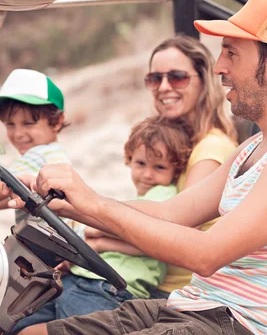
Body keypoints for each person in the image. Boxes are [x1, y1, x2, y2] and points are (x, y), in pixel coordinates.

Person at [4, 0, 267, 335]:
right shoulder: (255, 146)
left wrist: (95, 206)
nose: (219, 67)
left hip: (242, 331)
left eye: (231, 52)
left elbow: (207, 253)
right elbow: (171, 212)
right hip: (196, 308)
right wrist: (66, 199)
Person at [7, 116, 194, 334]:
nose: (147, 174)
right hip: (83, 279)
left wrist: (99, 239)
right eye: (141, 164)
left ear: (176, 170)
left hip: (107, 289)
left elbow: (148, 242)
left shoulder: (164, 195)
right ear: (129, 160)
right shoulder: (139, 197)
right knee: (13, 325)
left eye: (159, 167)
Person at [90, 36, 239, 299]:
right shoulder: (174, 145)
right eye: (155, 79)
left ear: (204, 82)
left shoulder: (210, 149)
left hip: (177, 292)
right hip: (146, 275)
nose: (164, 87)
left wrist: (98, 226)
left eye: (177, 77)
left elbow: (180, 232)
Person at [0, 68, 71, 225]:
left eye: (28, 123)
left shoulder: (38, 156)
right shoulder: (56, 154)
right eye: (10, 124)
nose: (18, 134)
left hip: (47, 248)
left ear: (57, 121)